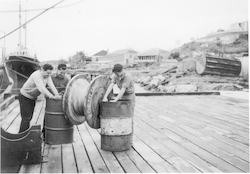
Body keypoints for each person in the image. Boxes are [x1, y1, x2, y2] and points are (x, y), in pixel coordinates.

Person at [18, 63, 61, 133]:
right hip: (24, 97)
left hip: (32, 98)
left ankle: (24, 135)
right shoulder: (36, 75)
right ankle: (21, 135)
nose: (48, 75)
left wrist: (57, 94)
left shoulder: (47, 76)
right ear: (42, 70)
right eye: (47, 73)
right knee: (26, 118)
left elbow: (51, 86)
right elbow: (42, 88)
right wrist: (51, 96)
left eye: (50, 73)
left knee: (29, 117)